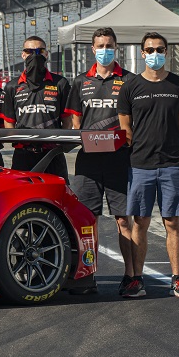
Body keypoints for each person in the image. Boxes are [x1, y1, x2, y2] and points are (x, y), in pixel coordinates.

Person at [117, 32, 179, 299]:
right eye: (150, 50)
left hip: (171, 164)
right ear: (142, 53)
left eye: (160, 49)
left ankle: (177, 279)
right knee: (140, 222)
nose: (155, 54)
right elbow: (125, 126)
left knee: (172, 222)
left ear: (167, 51)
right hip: (140, 164)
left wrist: (175, 151)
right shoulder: (130, 87)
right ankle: (136, 279)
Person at [63, 27, 131, 295]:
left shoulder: (129, 80)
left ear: (117, 48)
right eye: (100, 45)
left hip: (120, 160)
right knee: (87, 221)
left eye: (110, 45)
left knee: (124, 221)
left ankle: (131, 275)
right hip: (88, 162)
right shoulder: (80, 82)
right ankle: (87, 276)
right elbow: (74, 122)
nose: (105, 50)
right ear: (92, 49)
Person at [0, 36, 71, 179]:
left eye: (39, 51)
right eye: (30, 51)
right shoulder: (12, 86)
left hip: (52, 153)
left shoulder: (60, 83)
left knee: (58, 196)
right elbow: (9, 122)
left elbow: (67, 121)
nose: (35, 55)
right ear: (23, 55)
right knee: (21, 196)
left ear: (46, 54)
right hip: (23, 154)